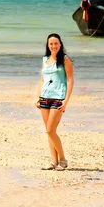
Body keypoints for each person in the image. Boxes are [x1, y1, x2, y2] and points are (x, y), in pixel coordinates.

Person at [35, 33, 74, 171]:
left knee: (51, 130)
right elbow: (42, 80)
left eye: (56, 43)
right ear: (48, 45)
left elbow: (70, 80)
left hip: (58, 98)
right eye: (51, 44)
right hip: (45, 97)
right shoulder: (45, 59)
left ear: (60, 44)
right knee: (48, 131)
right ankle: (53, 161)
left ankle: (63, 160)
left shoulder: (65, 59)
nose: (53, 46)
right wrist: (38, 97)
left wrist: (66, 101)